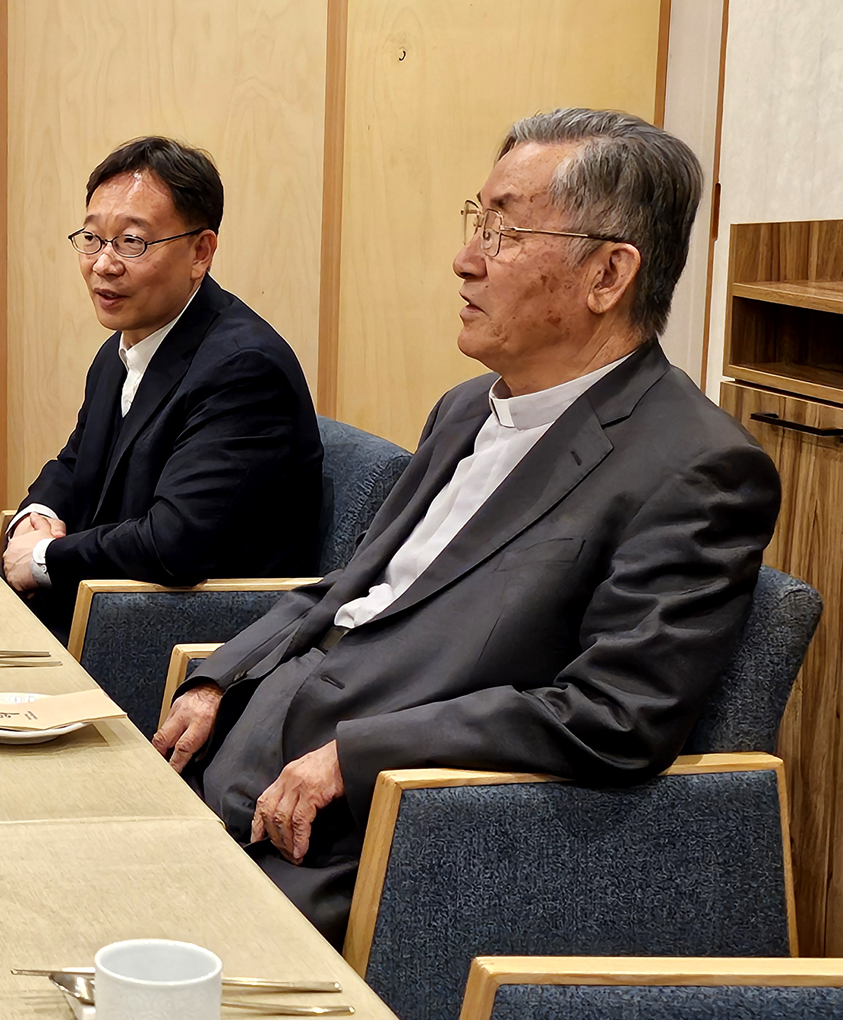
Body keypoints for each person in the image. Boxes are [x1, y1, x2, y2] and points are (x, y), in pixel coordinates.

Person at [151, 109, 782, 944]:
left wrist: (359, 757)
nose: (467, 257)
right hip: (240, 771)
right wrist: (220, 678)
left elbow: (614, 715)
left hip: (372, 850)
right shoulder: (463, 410)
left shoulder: (697, 467)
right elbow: (352, 590)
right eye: (477, 220)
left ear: (608, 275)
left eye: (507, 231)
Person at [3, 136, 322, 638]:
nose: (104, 264)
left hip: (174, 642)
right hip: (101, 613)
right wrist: (35, 517)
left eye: (133, 242)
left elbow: (176, 542)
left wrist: (44, 558)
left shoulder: (244, 369)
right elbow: (75, 464)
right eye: (92, 239)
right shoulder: (126, 346)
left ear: (201, 251)